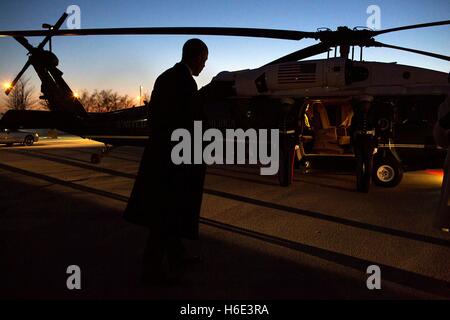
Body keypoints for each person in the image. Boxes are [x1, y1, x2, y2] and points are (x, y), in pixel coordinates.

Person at [123, 38, 209, 284]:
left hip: (162, 155)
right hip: (171, 160)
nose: (204, 66)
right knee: (164, 215)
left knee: (168, 212)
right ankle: (150, 273)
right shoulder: (184, 82)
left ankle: (176, 256)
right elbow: (187, 120)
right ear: (195, 57)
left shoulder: (166, 77)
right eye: (203, 60)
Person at [350, 95, 377, 193]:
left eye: (367, 104)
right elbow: (352, 132)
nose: (365, 106)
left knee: (369, 167)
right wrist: (352, 145)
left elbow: (376, 132)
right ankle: (359, 187)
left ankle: (366, 188)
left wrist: (376, 146)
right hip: (359, 142)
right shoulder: (356, 117)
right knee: (358, 166)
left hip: (369, 142)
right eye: (364, 104)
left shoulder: (373, 116)